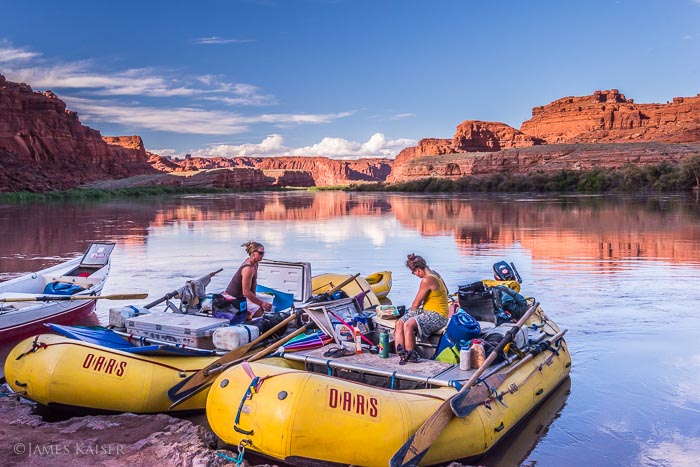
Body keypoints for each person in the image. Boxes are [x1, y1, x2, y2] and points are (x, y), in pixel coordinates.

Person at [394, 253, 450, 364]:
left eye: (414, 272)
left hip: (439, 314)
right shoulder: (435, 274)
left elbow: (416, 304)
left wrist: (409, 315)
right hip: (426, 311)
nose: (415, 275)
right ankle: (401, 354)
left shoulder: (427, 280)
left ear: (418, 270)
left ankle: (411, 355)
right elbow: (447, 292)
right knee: (399, 323)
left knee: (408, 323)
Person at [224, 240, 273, 319]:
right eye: (260, 253)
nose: (263, 255)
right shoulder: (248, 269)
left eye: (263, 253)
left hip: (241, 296)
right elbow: (246, 292)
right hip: (233, 297)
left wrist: (256, 300)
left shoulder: (255, 264)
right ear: (253, 253)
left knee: (265, 305)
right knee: (259, 311)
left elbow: (254, 283)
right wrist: (261, 304)